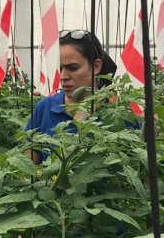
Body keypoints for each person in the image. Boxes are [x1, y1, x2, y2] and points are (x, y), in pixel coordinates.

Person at [25, 29, 119, 164]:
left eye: (73, 68)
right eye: (60, 68)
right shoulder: (44, 108)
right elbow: (28, 168)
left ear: (96, 67)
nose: (63, 77)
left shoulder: (117, 113)